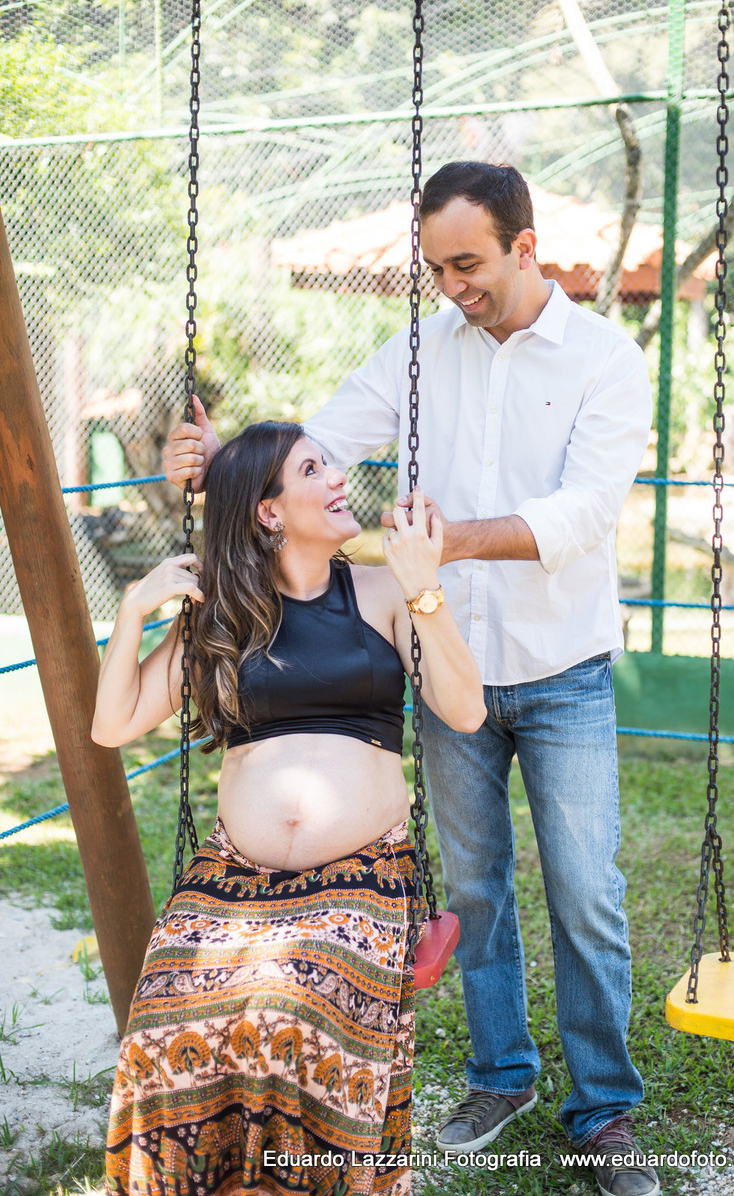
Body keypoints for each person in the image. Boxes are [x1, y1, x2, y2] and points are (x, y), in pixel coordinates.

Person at [163, 162, 657, 1196]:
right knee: (474, 886)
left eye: (468, 264)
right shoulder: (424, 346)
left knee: (587, 893)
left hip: (562, 666)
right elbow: (325, 442)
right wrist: (230, 460)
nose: (452, 286)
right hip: (445, 673)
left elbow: (582, 514)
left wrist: (441, 545)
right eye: (436, 267)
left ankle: (605, 1106)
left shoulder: (607, 361)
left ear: (526, 247)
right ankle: (500, 1074)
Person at [93, 420, 485, 1196]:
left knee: (294, 998)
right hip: (233, 877)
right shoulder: (222, 613)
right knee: (169, 1016)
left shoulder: (378, 593)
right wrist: (136, 611)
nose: (338, 475)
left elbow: (465, 710)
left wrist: (424, 588)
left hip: (361, 869)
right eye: (313, 468)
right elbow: (113, 724)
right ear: (269, 512)